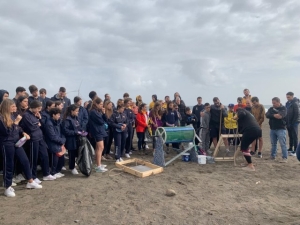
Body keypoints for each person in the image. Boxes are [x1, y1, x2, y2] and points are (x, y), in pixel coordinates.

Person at [0, 99, 42, 197]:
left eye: (15, 106)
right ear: (7, 107)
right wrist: (16, 122)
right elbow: (7, 132)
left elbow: (18, 128)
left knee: (25, 160)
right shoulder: (1, 118)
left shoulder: (13, 115)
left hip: (16, 142)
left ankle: (30, 181)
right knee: (9, 164)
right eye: (13, 106)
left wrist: (23, 133)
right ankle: (7, 187)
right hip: (6, 143)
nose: (15, 108)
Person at [20, 100, 56, 182]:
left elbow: (42, 125)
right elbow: (31, 127)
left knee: (45, 155)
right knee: (34, 158)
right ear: (33, 107)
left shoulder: (35, 115)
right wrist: (37, 124)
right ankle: (33, 176)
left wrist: (39, 119)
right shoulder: (26, 115)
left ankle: (46, 174)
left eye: (40, 108)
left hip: (40, 137)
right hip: (33, 139)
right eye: (38, 108)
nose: (39, 110)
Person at [44, 108, 66, 178]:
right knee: (54, 159)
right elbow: (52, 136)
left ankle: (57, 171)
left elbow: (61, 132)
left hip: (59, 142)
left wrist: (63, 139)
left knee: (60, 158)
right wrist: (61, 141)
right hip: (52, 143)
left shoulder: (58, 122)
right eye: (58, 115)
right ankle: (53, 172)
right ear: (53, 115)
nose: (59, 116)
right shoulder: (49, 123)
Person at [62, 104, 83, 174]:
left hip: (77, 138)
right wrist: (76, 132)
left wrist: (81, 131)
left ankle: (75, 165)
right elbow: (66, 130)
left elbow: (78, 127)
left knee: (76, 153)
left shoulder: (76, 118)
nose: (78, 112)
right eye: (76, 111)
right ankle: (72, 167)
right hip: (71, 139)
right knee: (72, 154)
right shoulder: (67, 119)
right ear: (72, 111)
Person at [266, 97, 288, 162]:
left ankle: (284, 157)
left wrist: (272, 115)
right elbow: (267, 115)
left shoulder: (283, 108)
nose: (273, 104)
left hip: (281, 128)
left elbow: (280, 116)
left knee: (282, 143)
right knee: (273, 143)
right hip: (272, 128)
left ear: (278, 102)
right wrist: (274, 115)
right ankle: (273, 156)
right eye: (272, 103)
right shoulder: (271, 108)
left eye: (274, 103)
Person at [88, 98, 108, 172]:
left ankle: (98, 164)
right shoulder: (93, 112)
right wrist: (102, 115)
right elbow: (101, 121)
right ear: (96, 104)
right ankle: (98, 166)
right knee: (100, 148)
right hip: (97, 131)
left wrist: (103, 113)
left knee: (98, 148)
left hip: (100, 130)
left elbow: (105, 120)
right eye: (100, 104)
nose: (102, 106)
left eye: (102, 104)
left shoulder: (97, 111)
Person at [285, 92, 299, 156]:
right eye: (287, 97)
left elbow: (297, 114)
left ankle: (296, 150)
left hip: (294, 123)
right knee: (290, 136)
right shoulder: (287, 103)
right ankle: (290, 148)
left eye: (289, 97)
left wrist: (293, 122)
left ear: (292, 96)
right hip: (288, 122)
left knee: (295, 136)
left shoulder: (295, 103)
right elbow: (286, 113)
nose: (288, 98)